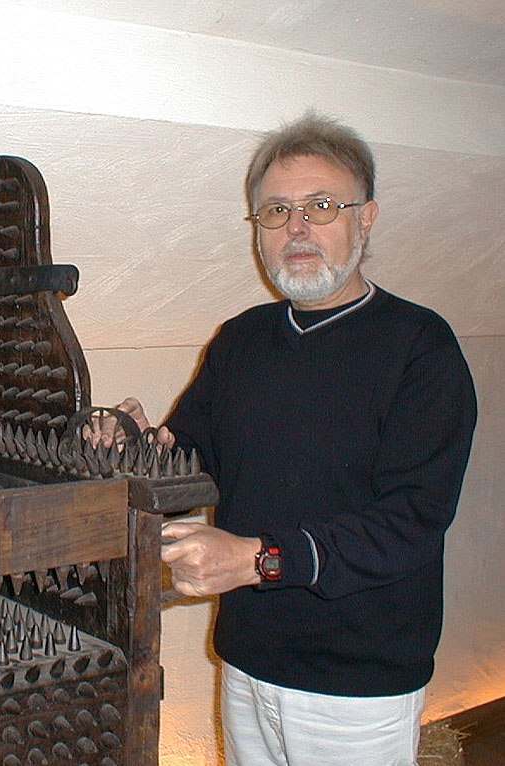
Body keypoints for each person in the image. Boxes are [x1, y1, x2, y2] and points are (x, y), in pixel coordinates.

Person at [106, 112, 477, 765]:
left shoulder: (420, 347)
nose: (297, 228)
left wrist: (257, 561)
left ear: (366, 219)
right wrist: (133, 444)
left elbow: (410, 523)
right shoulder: (241, 339)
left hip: (358, 683)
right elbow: (190, 462)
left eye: (321, 205)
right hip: (246, 659)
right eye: (276, 211)